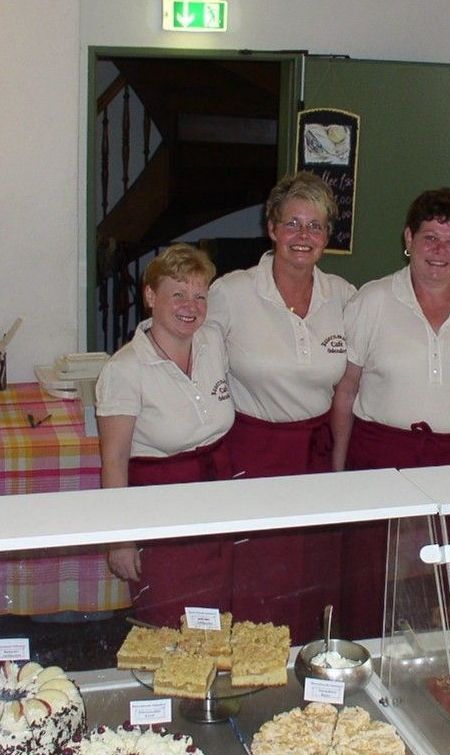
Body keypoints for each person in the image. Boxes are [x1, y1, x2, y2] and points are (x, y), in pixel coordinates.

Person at [331, 188, 450, 637]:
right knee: (370, 575)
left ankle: (438, 674)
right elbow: (346, 390)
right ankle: (364, 662)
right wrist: (337, 469)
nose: (440, 252)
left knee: (447, 577)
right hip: (379, 456)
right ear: (408, 238)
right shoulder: (371, 302)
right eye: (430, 238)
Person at [206, 172, 356, 641]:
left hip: (315, 454)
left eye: (315, 227)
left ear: (328, 237)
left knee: (312, 575)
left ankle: (306, 667)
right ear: (271, 228)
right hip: (253, 453)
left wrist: (339, 465)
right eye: (292, 223)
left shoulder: (345, 297)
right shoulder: (231, 293)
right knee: (258, 574)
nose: (303, 237)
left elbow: (349, 387)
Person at [95, 243, 235, 626]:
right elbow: (113, 464)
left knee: (217, 623)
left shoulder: (213, 344)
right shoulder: (124, 370)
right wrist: (120, 541)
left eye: (199, 295)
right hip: (162, 522)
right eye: (178, 294)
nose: (190, 305)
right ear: (150, 296)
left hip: (217, 514)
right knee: (169, 626)